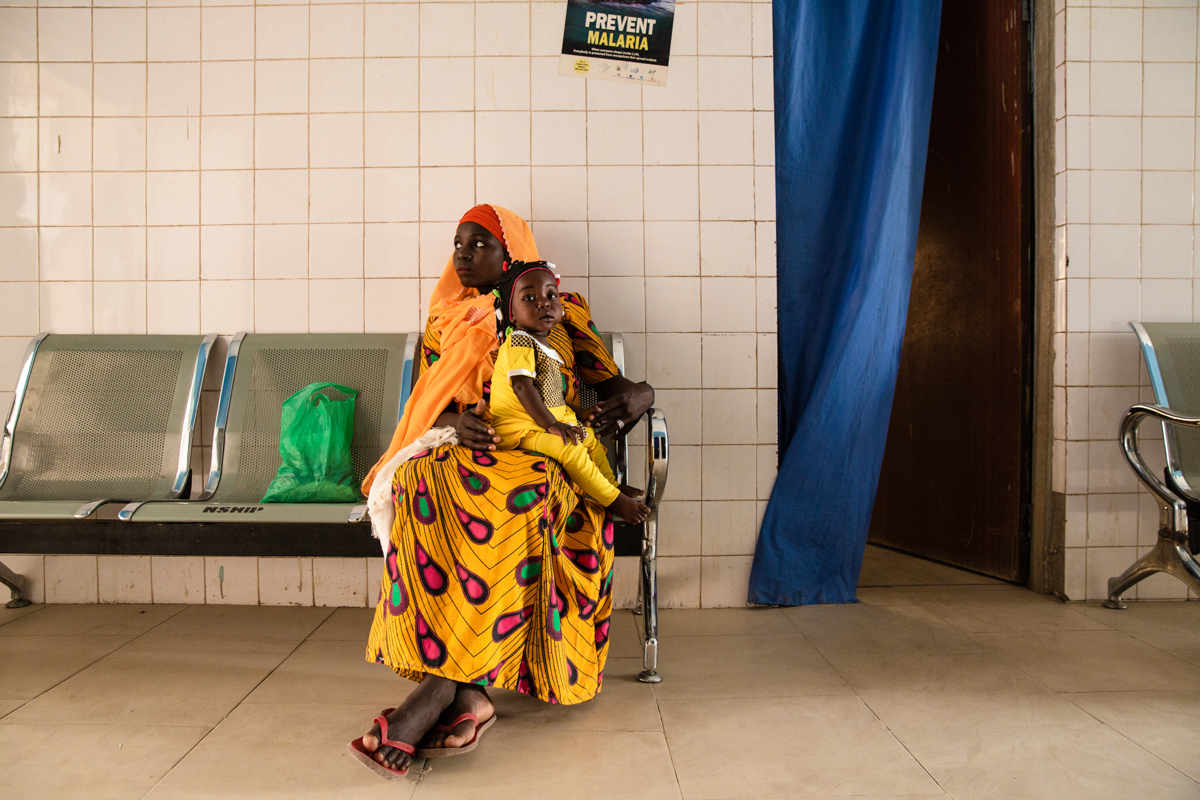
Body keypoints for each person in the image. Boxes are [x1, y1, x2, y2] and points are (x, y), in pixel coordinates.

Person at [348, 205, 656, 779]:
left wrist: (644, 394)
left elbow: (612, 385)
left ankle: (441, 690)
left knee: (519, 498)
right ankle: (467, 693)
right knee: (419, 483)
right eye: (458, 244)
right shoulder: (447, 319)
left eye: (479, 244)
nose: (462, 255)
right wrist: (456, 422)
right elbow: (430, 400)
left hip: (544, 453)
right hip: (468, 447)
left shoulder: (560, 309)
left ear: (510, 251)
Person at [489, 259, 650, 525]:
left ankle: (610, 486)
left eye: (551, 295)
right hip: (519, 429)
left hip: (538, 424)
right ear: (512, 315)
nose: (543, 303)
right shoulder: (518, 342)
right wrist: (552, 425)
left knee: (590, 440)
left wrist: (578, 413)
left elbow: (549, 396)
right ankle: (614, 501)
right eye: (529, 298)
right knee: (570, 448)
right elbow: (521, 387)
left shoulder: (543, 347)